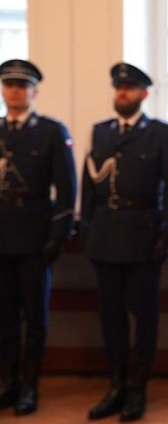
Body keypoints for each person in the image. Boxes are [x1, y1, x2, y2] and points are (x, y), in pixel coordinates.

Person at [81, 62, 168, 422]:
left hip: (143, 239)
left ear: (143, 94)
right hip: (106, 238)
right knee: (111, 319)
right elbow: (89, 184)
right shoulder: (101, 132)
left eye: (129, 88)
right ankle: (116, 387)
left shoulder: (161, 133)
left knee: (145, 319)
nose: (122, 93)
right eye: (118, 87)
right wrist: (88, 229)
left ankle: (138, 391)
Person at [0, 59, 77, 416]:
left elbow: (66, 189)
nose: (15, 91)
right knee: (4, 317)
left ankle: (30, 386)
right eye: (9, 85)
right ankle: (9, 383)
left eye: (22, 85)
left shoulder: (51, 131)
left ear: (33, 91)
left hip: (34, 236)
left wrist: (57, 236)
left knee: (35, 316)